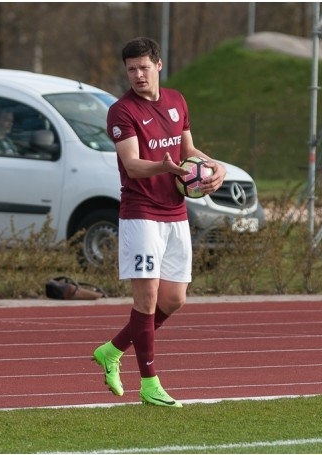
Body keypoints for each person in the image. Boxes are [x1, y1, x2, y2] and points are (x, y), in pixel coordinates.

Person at [93, 37, 226, 407]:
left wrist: (216, 166)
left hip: (176, 212)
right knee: (147, 297)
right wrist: (164, 168)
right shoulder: (121, 111)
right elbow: (133, 165)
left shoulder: (176, 101)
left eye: (143, 67)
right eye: (131, 69)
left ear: (158, 65)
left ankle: (113, 349)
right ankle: (149, 383)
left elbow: (188, 152)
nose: (137, 74)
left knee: (174, 299)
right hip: (140, 213)